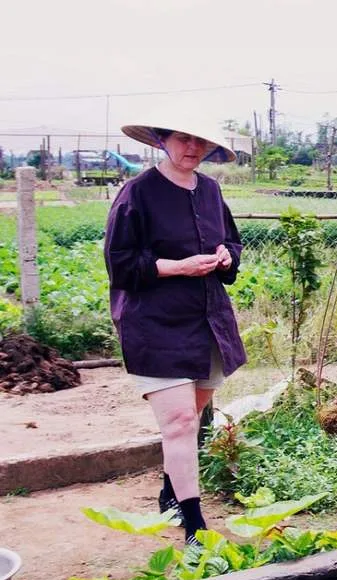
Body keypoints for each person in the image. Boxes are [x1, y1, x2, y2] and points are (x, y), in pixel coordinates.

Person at [104, 119, 246, 546]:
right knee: (181, 421)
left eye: (200, 139)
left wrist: (225, 256)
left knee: (194, 414)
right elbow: (122, 264)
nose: (193, 146)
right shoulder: (138, 193)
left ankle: (170, 491)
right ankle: (195, 526)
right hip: (155, 322)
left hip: (206, 319)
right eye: (183, 137)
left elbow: (233, 244)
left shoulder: (211, 190)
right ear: (162, 141)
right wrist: (178, 267)